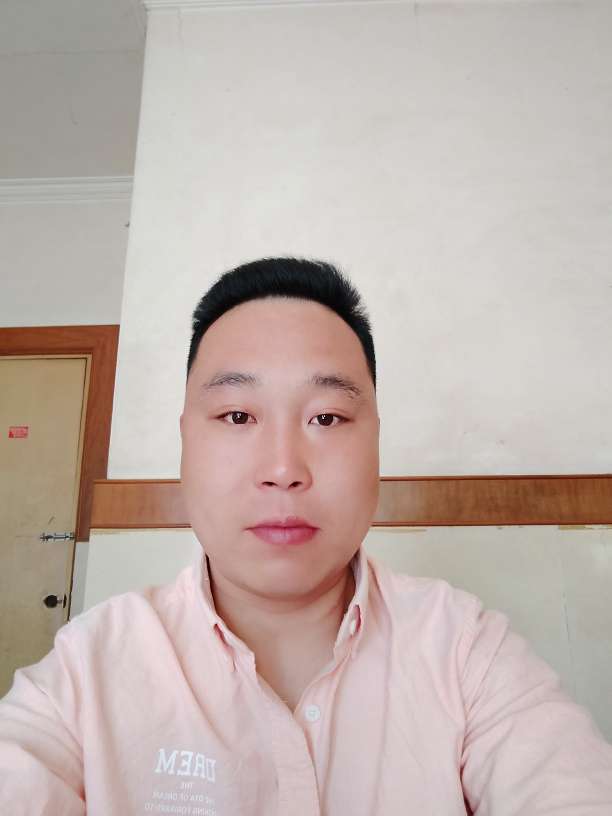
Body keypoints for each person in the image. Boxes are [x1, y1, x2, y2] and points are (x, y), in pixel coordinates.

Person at [0, 257, 611, 815]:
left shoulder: (466, 650)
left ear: (375, 441)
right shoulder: (86, 671)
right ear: (185, 439)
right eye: (237, 415)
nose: (284, 468)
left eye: (327, 417)